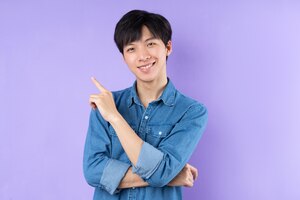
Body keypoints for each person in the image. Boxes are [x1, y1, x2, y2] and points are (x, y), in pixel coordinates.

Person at [83, 9, 208, 200]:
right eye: (131, 49)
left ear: (168, 47)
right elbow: (92, 170)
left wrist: (115, 118)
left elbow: (161, 173)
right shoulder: (106, 104)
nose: (142, 56)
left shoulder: (192, 112)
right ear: (124, 56)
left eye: (150, 44)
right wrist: (170, 175)